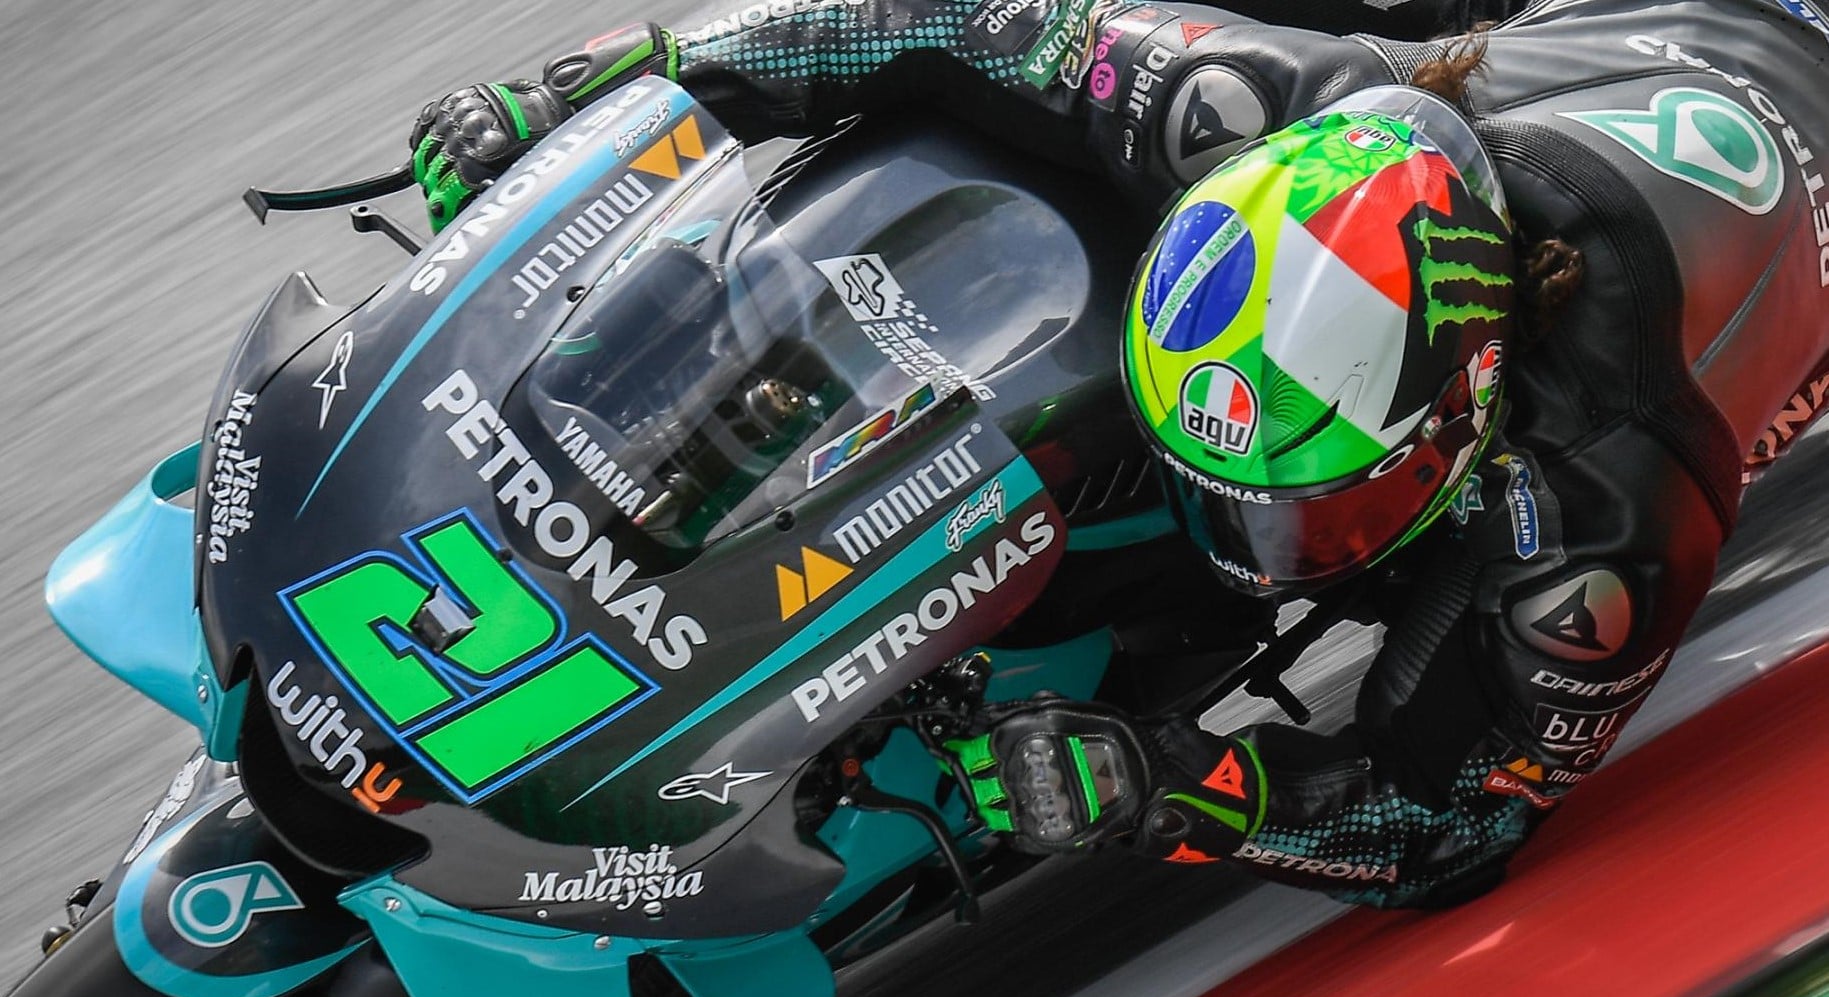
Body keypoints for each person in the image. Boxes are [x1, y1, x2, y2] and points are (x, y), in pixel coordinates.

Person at [409, 0, 1829, 907]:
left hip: (1736, 193)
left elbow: (1449, 820)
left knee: (1406, 671)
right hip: (1627, 36)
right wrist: (633, 77)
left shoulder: (1610, 493)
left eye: (1301, 504)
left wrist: (1182, 788)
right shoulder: (1270, 103)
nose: (1248, 530)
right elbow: (939, 21)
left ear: (1463, 411)